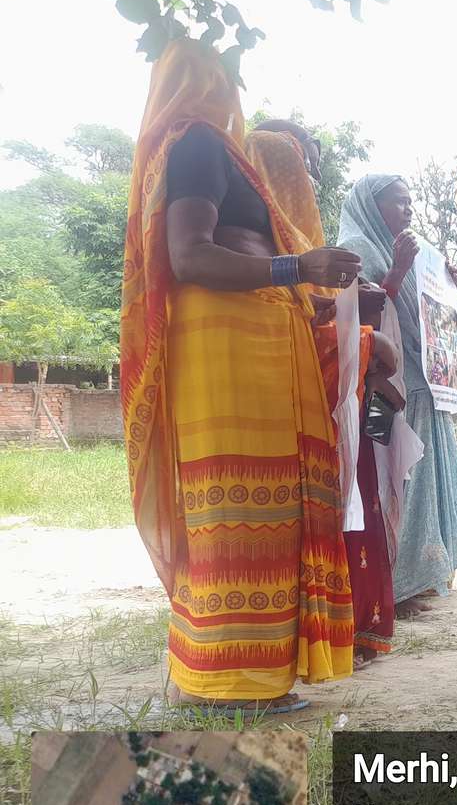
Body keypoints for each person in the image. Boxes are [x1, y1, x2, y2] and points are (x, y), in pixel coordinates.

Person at [121, 40, 364, 715]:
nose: (233, 90)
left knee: (264, 507)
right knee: (238, 510)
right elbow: (191, 256)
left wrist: (306, 292)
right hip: (227, 347)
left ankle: (234, 672)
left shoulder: (218, 151)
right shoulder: (196, 142)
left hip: (253, 339)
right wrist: (297, 269)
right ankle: (231, 681)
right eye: (225, 76)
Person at [244, 127, 406, 665]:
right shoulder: (261, 249)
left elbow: (319, 314)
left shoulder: (297, 243)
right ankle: (328, 635)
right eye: (301, 167)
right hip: (310, 410)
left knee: (363, 500)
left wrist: (367, 334)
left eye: (313, 167)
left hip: (351, 394)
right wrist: (370, 342)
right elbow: (292, 331)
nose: (311, 180)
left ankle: (358, 627)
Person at [338, 175, 457, 617]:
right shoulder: (355, 248)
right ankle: (392, 584)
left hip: (421, 384)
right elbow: (355, 319)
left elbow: (423, 313)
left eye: (411, 202)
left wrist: (444, 285)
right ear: (371, 205)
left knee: (420, 475)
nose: (408, 210)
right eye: (399, 201)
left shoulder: (408, 251)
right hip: (380, 388)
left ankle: (423, 572)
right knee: (389, 473)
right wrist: (395, 272)